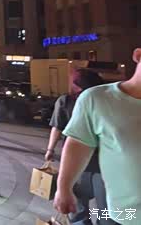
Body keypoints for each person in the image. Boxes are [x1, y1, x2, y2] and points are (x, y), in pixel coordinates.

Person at [55, 48, 141, 224]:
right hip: (125, 215)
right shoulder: (96, 99)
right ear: (138, 55)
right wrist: (64, 188)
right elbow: (77, 144)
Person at [45, 68, 106, 224]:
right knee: (105, 209)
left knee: (78, 208)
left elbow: (57, 127)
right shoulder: (104, 99)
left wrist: (50, 150)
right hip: (103, 162)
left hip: (76, 161)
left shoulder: (66, 101)